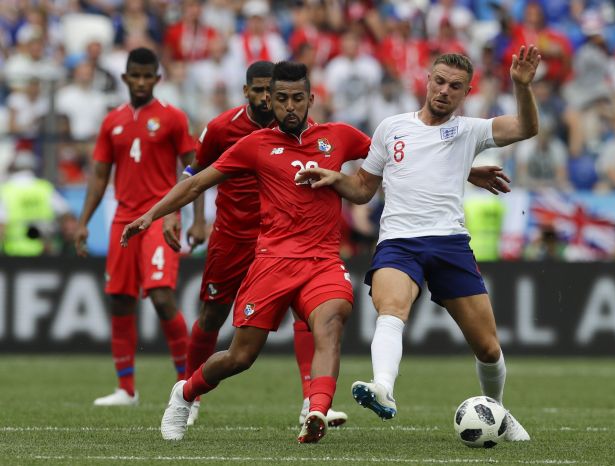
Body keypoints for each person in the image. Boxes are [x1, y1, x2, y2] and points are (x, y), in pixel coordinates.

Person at [121, 61, 513, 444]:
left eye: (297, 98)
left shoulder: (338, 136)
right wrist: (152, 214)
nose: (289, 106)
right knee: (240, 357)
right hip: (272, 260)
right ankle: (185, 393)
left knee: (331, 322)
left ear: (311, 98)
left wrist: (467, 169)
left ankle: (317, 410)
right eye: (281, 99)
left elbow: (402, 154)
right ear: (270, 102)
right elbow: (197, 183)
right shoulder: (254, 145)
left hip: (324, 261)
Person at [294, 48, 541, 441]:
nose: (444, 91)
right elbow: (362, 189)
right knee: (391, 309)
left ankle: (497, 411)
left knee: (489, 349)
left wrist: (520, 85)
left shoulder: (469, 130)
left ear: (466, 92)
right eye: (439, 81)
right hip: (398, 242)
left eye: (455, 86)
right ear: (427, 80)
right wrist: (333, 176)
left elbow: (526, 128)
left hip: (449, 243)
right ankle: (383, 389)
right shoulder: (391, 128)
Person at [165, 60, 347, 428]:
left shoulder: (307, 130)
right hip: (233, 235)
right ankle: (190, 393)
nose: (269, 99)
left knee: (308, 314)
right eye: (262, 91)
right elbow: (195, 174)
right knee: (214, 316)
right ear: (247, 92)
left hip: (285, 240)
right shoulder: (222, 128)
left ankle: (310, 401)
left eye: (274, 92)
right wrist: (190, 218)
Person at [74, 47, 196, 406]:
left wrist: (192, 217)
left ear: (157, 79)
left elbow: (195, 169)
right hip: (122, 220)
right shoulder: (112, 121)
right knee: (121, 301)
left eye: (148, 76)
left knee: (160, 297)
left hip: (159, 218)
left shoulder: (173, 118)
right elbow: (99, 176)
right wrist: (83, 223)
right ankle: (126, 389)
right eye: (135, 76)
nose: (141, 82)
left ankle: (187, 388)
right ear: (126, 78)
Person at [0, 151, 73, 256]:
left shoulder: (6, 190)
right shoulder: (44, 188)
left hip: (14, 253)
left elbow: (1, 224)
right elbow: (66, 214)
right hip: (44, 250)